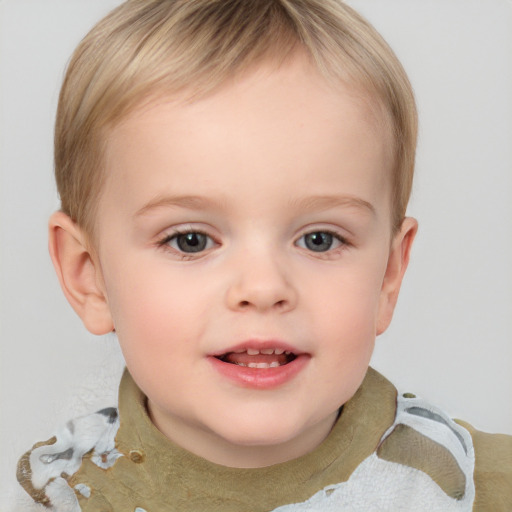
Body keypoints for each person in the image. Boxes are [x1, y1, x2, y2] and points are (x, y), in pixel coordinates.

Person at [15, 0, 512, 510]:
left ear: (388, 273)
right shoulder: (66, 492)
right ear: (88, 275)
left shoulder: (470, 486)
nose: (263, 287)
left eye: (320, 239)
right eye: (191, 240)